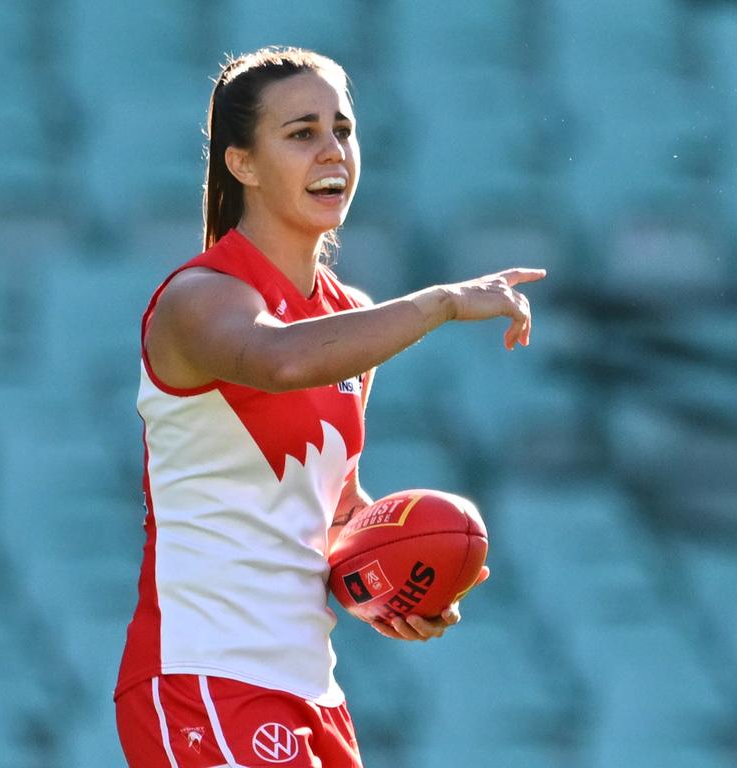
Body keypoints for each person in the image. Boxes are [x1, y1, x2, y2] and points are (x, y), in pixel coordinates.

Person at [115, 46, 545, 768]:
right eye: (301, 132)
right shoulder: (200, 297)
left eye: (342, 128)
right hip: (203, 679)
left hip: (308, 690)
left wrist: (395, 578)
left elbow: (332, 511)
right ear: (242, 164)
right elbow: (277, 360)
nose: (332, 150)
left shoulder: (350, 316)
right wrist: (439, 302)